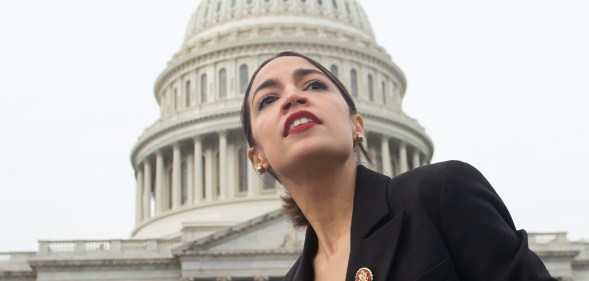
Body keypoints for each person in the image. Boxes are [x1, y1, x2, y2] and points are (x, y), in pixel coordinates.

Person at [240, 51, 555, 281]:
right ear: (258, 158)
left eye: (314, 85)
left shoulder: (441, 195)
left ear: (356, 125)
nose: (293, 97)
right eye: (268, 99)